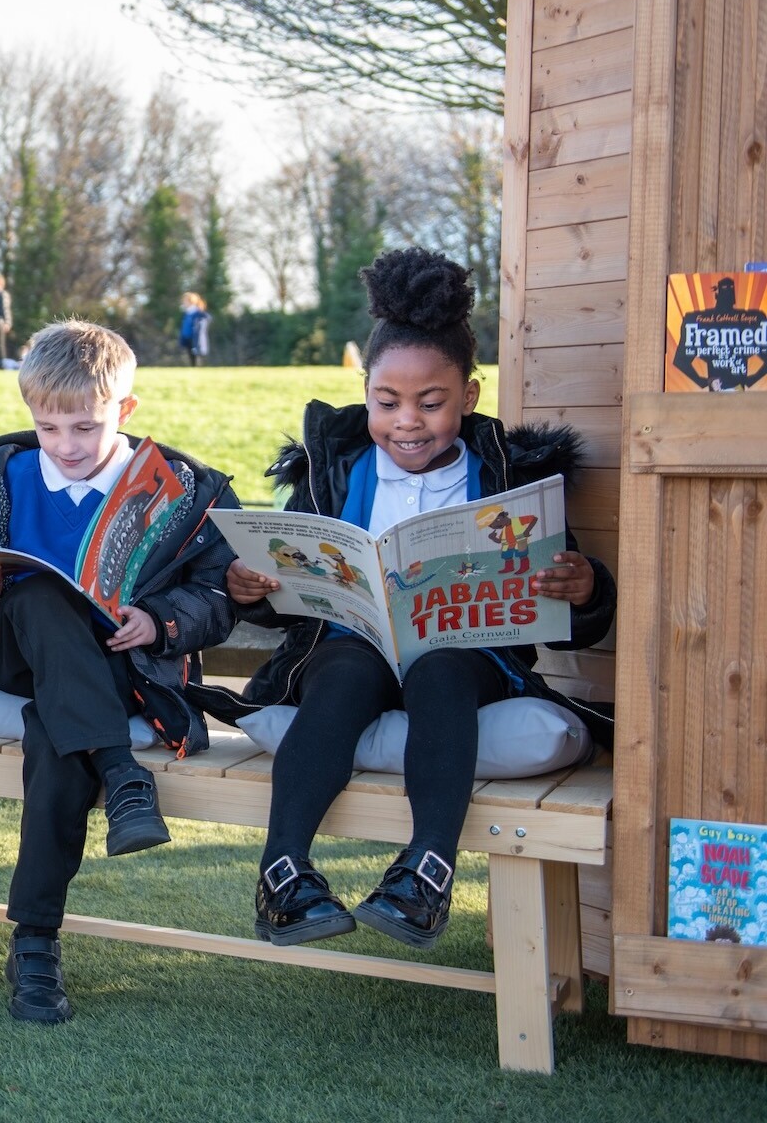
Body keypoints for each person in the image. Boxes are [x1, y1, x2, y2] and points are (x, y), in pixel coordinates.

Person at [206, 247, 617, 952]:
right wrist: (253, 592)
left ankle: (425, 873)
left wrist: (583, 588)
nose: (408, 422)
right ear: (365, 391)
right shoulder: (333, 470)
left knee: (441, 669)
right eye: (386, 402)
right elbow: (289, 590)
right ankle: (283, 873)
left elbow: (568, 608)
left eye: (432, 403)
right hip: (353, 647)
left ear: (470, 396)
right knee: (338, 678)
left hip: (466, 657)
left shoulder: (507, 475)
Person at [0, 320, 240, 1024]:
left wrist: (163, 622)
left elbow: (218, 596)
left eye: (85, 427)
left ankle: (34, 946)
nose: (67, 446)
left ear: (126, 411)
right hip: (10, 656)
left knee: (56, 738)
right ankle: (121, 770)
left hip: (120, 671)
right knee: (43, 592)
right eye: (49, 428)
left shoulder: (181, 490)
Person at [179, 291, 211, 367]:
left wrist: (198, 327)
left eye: (185, 301)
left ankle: (198, 368)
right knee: (189, 354)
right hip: (187, 337)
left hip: (194, 338)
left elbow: (207, 318)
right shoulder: (186, 313)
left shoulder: (197, 312)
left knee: (196, 354)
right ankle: (192, 368)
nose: (184, 303)